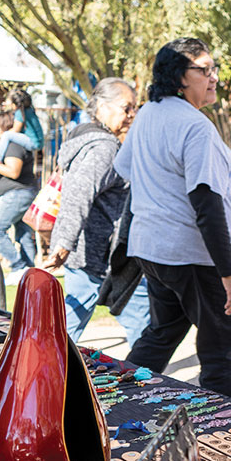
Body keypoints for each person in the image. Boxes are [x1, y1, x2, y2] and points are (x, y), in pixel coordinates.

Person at [113, 38, 231, 397]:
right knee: (223, 349)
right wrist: (228, 272)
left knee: (162, 332)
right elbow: (206, 203)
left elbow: (124, 168)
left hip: (153, 250)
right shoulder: (194, 126)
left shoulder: (148, 115)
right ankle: (218, 422)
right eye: (204, 70)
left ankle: (114, 398)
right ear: (179, 77)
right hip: (192, 255)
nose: (213, 77)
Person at [45, 78, 150, 346]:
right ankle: (41, 374)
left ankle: (147, 374)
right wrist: (64, 243)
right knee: (69, 327)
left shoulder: (85, 137)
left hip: (104, 253)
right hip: (94, 255)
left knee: (143, 319)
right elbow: (78, 194)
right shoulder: (103, 148)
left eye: (135, 108)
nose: (132, 115)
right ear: (102, 107)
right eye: (127, 108)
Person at [0, 110, 39, 285]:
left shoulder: (13, 145)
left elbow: (13, 172)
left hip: (18, 193)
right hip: (22, 192)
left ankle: (18, 267)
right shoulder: (16, 143)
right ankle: (29, 274)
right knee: (23, 233)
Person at [0, 88, 43, 161]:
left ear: (14, 102)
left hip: (33, 142)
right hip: (38, 142)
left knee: (6, 135)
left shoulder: (20, 112)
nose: (6, 102)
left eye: (8, 99)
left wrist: (2, 134)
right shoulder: (29, 110)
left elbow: (16, 129)